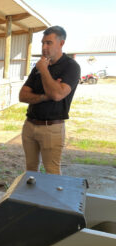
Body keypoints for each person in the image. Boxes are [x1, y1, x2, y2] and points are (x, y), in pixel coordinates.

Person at [19, 26, 80, 174]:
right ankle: (32, 197)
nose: (44, 47)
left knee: (52, 173)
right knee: (30, 171)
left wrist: (44, 70)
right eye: (42, 43)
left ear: (61, 43)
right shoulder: (38, 67)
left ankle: (49, 198)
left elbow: (57, 95)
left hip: (52, 128)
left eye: (49, 43)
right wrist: (44, 96)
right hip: (30, 124)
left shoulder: (71, 67)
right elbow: (22, 95)